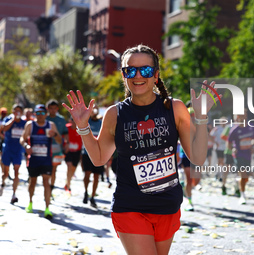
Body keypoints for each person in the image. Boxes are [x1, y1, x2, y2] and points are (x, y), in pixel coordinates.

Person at [62, 44, 216, 255]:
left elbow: (197, 157)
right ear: (123, 75)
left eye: (145, 70)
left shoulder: (175, 108)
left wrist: (202, 118)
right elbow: (98, 159)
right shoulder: (115, 114)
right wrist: (82, 126)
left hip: (168, 205)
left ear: (155, 75)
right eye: (129, 70)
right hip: (130, 206)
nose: (137, 75)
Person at [20, 104, 62, 219]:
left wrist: (55, 135)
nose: (40, 115)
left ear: (46, 114)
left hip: (46, 160)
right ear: (35, 114)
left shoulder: (50, 125)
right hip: (33, 159)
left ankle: (47, 208)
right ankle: (30, 202)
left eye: (42, 113)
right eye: (38, 113)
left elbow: (59, 141)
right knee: (32, 182)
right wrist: (26, 145)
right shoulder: (30, 125)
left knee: (46, 182)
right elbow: (22, 138)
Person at [227, 111, 254, 204]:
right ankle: (242, 195)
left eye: (244, 115)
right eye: (241, 116)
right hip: (239, 155)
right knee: (243, 175)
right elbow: (229, 143)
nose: (243, 117)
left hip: (248, 154)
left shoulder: (250, 127)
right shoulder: (234, 130)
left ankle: (237, 184)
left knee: (246, 177)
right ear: (237, 117)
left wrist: (253, 145)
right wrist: (233, 149)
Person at [0, 104, 26, 203]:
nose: (17, 112)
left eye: (19, 111)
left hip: (18, 151)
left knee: (16, 171)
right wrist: (13, 119)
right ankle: (2, 183)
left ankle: (14, 194)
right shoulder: (8, 119)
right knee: (5, 173)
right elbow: (4, 129)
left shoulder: (24, 123)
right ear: (12, 111)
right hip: (7, 149)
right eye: (15, 110)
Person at [81, 105, 104, 208]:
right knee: (87, 174)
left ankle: (93, 196)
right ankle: (85, 191)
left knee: (96, 176)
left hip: (99, 153)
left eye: (96, 109)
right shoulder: (87, 122)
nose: (94, 111)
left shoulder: (101, 123)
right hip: (86, 153)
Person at [46, 99, 69, 196]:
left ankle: (51, 188)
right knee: (46, 169)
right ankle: (46, 188)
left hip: (57, 147)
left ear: (57, 109)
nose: (52, 110)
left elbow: (65, 133)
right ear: (48, 109)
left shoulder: (61, 119)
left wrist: (67, 143)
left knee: (54, 169)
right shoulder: (44, 119)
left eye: (54, 108)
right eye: (50, 108)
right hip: (45, 147)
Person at [64, 116, 82, 194]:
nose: (74, 123)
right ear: (70, 121)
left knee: (73, 168)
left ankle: (68, 182)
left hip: (77, 151)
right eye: (73, 121)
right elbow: (62, 137)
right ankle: (68, 185)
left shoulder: (80, 129)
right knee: (69, 166)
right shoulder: (66, 128)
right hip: (68, 151)